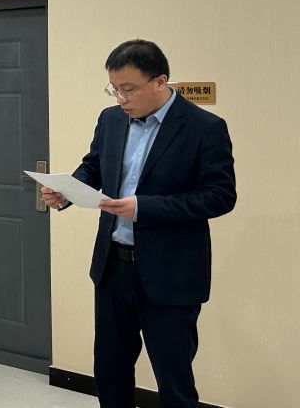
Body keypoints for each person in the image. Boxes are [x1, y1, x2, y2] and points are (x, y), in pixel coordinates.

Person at [41, 39, 236, 408]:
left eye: (128, 89)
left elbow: (220, 196)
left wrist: (143, 207)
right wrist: (67, 191)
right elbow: (94, 166)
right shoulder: (110, 120)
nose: (121, 99)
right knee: (110, 371)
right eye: (114, 89)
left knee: (174, 381)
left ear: (160, 81)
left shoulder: (204, 127)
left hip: (170, 274)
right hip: (113, 268)